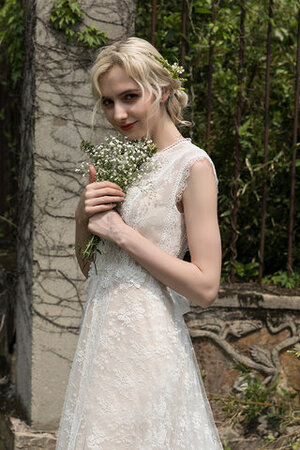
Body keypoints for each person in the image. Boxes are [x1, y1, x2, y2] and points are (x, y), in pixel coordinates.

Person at [56, 37, 223, 449]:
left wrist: (121, 232)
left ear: (162, 89)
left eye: (129, 97)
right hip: (100, 341)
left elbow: (205, 286)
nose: (119, 113)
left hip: (148, 345)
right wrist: (83, 215)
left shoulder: (193, 165)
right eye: (108, 102)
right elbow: (91, 267)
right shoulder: (121, 161)